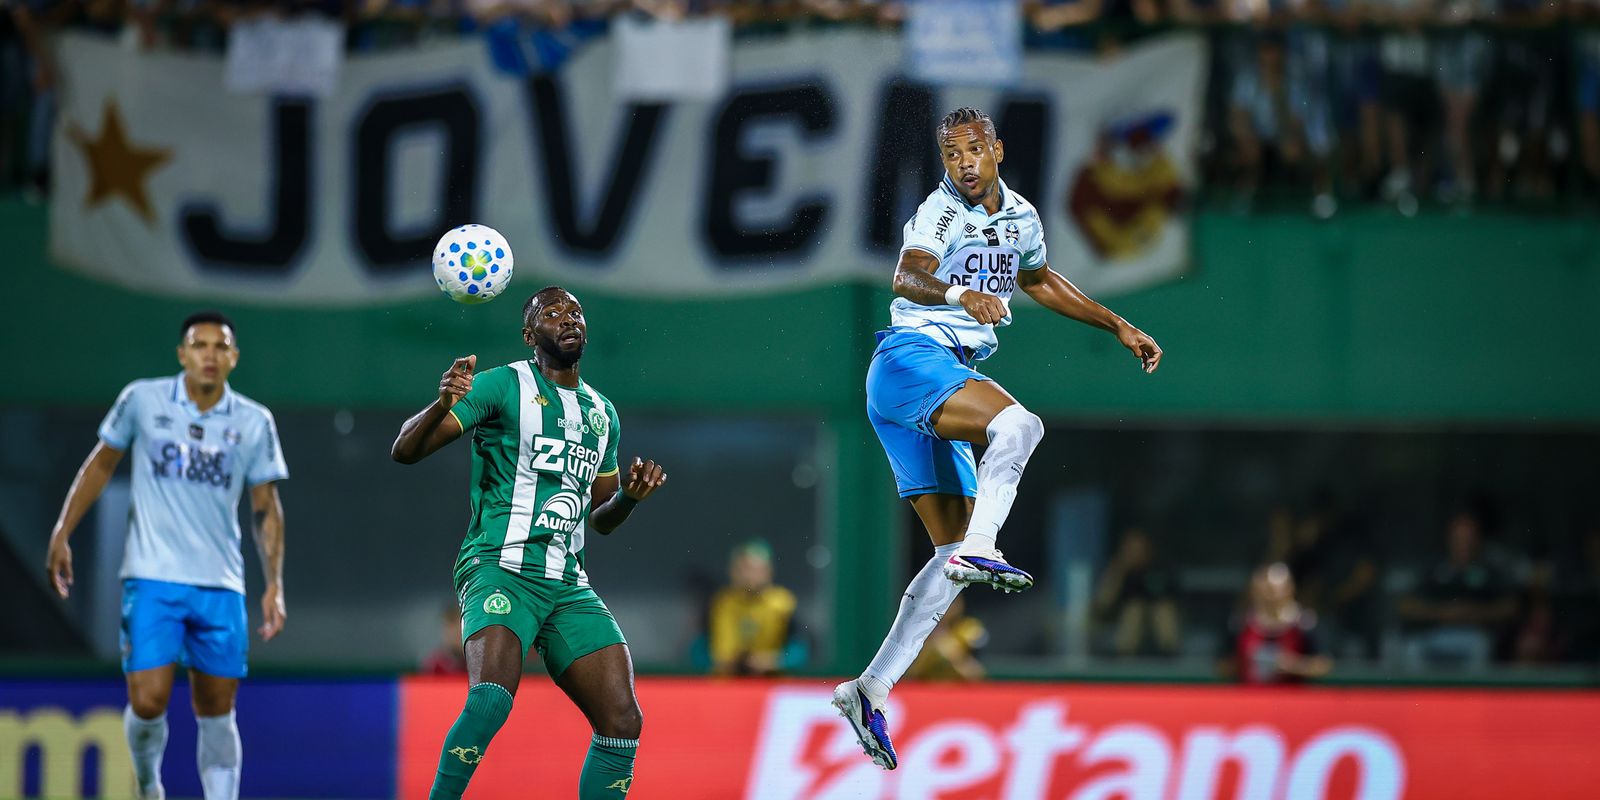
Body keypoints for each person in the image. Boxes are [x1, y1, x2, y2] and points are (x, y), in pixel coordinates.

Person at [833, 106, 1163, 771]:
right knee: (1019, 424)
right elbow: (906, 276)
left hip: (925, 381)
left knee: (947, 555)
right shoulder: (940, 213)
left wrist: (1117, 325)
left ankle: (868, 690)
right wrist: (961, 296)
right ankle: (983, 548)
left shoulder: (1022, 219)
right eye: (952, 154)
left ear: (998, 150)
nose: (964, 163)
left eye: (974, 150)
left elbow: (1038, 280)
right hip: (912, 360)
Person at [390, 286, 667, 799]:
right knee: (491, 699)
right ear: (528, 334)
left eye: (576, 311)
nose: (569, 319)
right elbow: (404, 450)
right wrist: (442, 403)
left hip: (566, 583)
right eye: (552, 313)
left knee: (622, 720)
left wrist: (628, 498)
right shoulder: (501, 385)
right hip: (500, 566)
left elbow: (600, 519)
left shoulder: (602, 413)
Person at [44, 310, 289, 800]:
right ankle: (149, 784)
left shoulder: (254, 420)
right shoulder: (142, 399)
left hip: (221, 582)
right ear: (182, 354)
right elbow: (101, 464)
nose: (210, 355)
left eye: (220, 347)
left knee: (217, 708)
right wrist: (62, 531)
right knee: (148, 699)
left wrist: (274, 584)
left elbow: (266, 507)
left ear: (234, 357)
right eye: (200, 345)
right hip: (152, 576)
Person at [1398, 511, 1515, 671]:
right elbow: (1406, 605)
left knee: (1481, 646)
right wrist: (1442, 613)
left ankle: (1474, 690)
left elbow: (1509, 607)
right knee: (1413, 647)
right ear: (1449, 540)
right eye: (1459, 539)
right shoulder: (1434, 568)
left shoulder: (1489, 571)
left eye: (1469, 539)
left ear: (1478, 541)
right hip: (1434, 633)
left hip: (1473, 635)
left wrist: (1471, 613)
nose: (1464, 545)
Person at [1222, 562, 1332, 684]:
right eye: (1262, 589)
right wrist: (1245, 662)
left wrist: (1293, 666)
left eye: (1272, 590)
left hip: (1292, 694)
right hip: (1249, 694)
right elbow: (1222, 664)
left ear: (1289, 589)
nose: (1268, 596)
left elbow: (1323, 665)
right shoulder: (1240, 623)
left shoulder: (1306, 624)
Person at [708, 539, 799, 676]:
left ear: (769, 572)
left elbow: (800, 650)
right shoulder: (721, 603)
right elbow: (702, 650)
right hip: (727, 681)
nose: (749, 575)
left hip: (771, 680)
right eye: (743, 569)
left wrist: (775, 661)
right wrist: (728, 661)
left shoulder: (783, 603)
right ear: (732, 572)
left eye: (756, 570)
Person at [1093, 527, 1180, 657]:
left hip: (1158, 626)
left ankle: (1169, 656)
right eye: (1129, 548)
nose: (1134, 553)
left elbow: (1172, 600)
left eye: (1138, 548)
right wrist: (1118, 571)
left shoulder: (1160, 568)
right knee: (1134, 611)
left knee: (1163, 611)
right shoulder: (1119, 571)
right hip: (1122, 629)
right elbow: (1102, 605)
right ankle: (1124, 656)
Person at [904, 594, 988, 682]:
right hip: (924, 686)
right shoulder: (919, 631)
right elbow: (912, 673)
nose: (948, 607)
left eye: (952, 602)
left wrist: (951, 654)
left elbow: (976, 672)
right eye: (941, 602)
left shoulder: (968, 627)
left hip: (958, 686)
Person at [421, 601, 469, 676]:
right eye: (451, 624)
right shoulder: (435, 666)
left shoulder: (481, 662)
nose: (457, 630)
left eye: (461, 623)